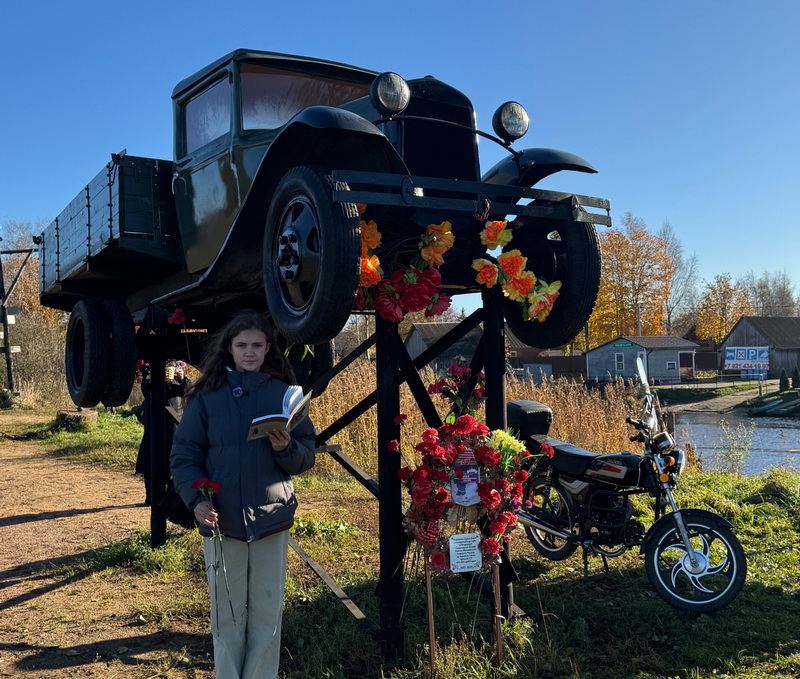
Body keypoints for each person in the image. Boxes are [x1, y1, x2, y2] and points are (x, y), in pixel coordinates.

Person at [170, 311, 316, 679]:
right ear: (229, 349)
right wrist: (196, 500)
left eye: (256, 345)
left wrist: (285, 448)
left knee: (267, 613)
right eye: (241, 345)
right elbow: (184, 455)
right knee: (226, 614)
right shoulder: (206, 395)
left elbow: (305, 458)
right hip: (221, 519)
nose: (249, 352)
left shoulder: (285, 394)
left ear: (268, 348)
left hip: (272, 518)